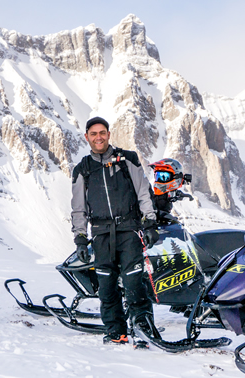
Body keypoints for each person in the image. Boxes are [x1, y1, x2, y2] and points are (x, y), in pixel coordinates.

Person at [71, 116, 159, 345]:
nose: (98, 137)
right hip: (101, 236)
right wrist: (80, 239)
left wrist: (149, 222)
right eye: (93, 134)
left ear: (109, 134)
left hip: (129, 231)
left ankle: (143, 328)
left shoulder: (127, 159)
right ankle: (115, 332)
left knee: (133, 284)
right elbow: (78, 208)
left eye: (102, 133)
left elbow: (143, 193)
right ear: (87, 137)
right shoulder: (82, 169)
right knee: (107, 289)